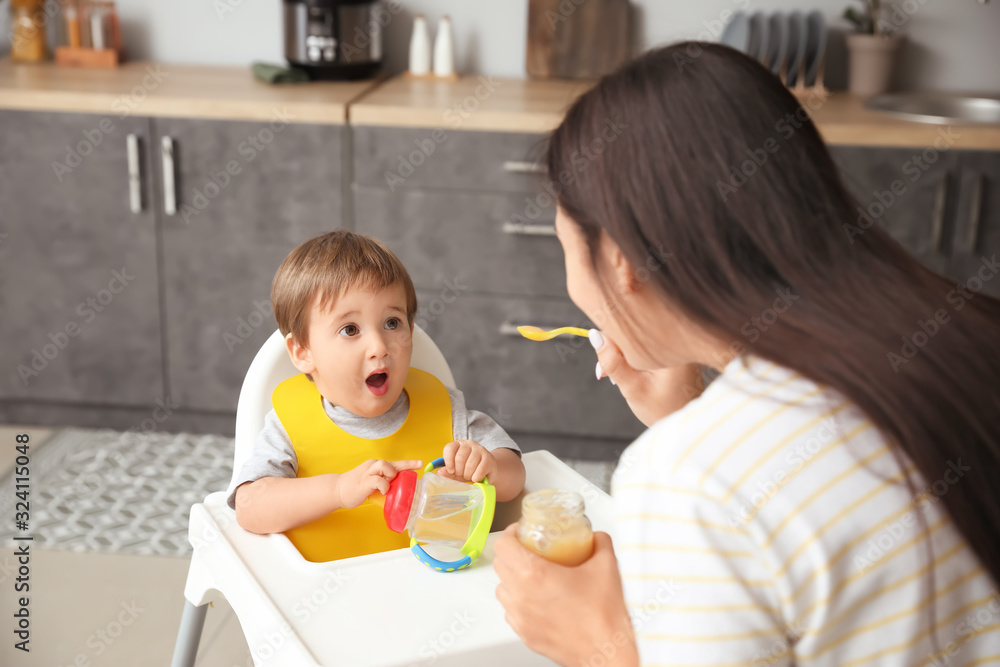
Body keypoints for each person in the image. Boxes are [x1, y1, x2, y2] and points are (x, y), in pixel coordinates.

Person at [492, 42, 1000, 666]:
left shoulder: (689, 479)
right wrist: (696, 419)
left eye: (566, 246)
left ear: (622, 261)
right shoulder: (971, 329)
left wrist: (601, 647)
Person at [230, 230, 525, 562]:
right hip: (326, 598)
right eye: (350, 329)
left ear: (411, 333)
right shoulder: (291, 425)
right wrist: (338, 490)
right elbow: (250, 507)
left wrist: (491, 469)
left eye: (392, 323)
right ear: (302, 352)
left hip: (433, 590)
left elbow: (515, 477)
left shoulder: (445, 411)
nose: (380, 347)